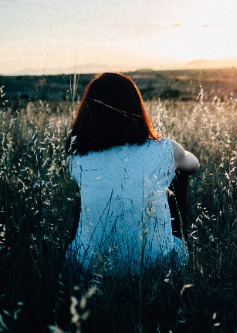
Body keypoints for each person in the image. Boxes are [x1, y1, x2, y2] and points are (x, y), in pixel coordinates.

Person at [65, 72, 199, 277]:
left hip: (90, 267)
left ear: (88, 111)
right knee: (179, 175)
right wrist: (174, 157)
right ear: (136, 107)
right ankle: (178, 242)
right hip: (157, 264)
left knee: (84, 190)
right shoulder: (164, 149)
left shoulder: (78, 157)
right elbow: (193, 165)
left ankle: (89, 246)